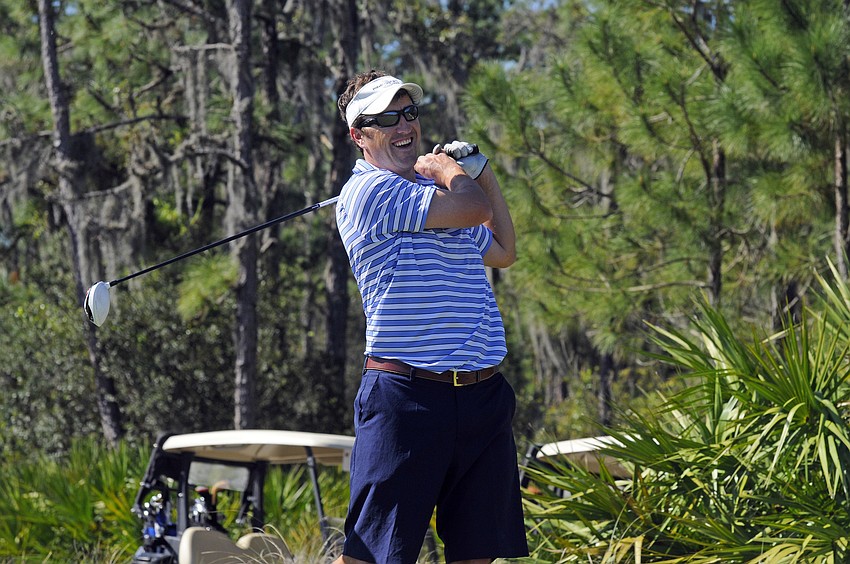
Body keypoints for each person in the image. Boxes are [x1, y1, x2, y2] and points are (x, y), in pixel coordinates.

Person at [333, 69, 528, 564]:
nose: (405, 126)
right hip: (407, 399)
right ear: (359, 136)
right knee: (372, 557)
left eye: (410, 113)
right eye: (386, 118)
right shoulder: (370, 192)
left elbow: (503, 248)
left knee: (477, 554)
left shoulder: (438, 197)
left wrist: (479, 169)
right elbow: (471, 208)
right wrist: (454, 175)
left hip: (482, 396)